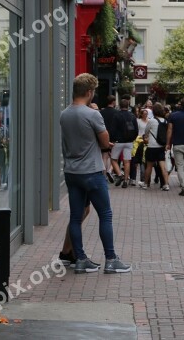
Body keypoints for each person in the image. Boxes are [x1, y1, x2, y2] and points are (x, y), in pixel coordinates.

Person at [60, 73, 131, 274]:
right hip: (91, 171)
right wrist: (105, 141)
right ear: (90, 92)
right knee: (105, 215)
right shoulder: (93, 114)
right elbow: (103, 141)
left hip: (72, 171)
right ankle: (111, 259)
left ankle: (80, 259)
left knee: (75, 217)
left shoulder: (64, 114)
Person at [111, 98, 138, 189]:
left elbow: (113, 129)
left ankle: (119, 174)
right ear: (128, 105)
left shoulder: (116, 115)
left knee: (113, 159)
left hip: (118, 141)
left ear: (120, 105)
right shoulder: (132, 116)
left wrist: (113, 139)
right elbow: (136, 130)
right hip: (129, 141)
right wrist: (133, 138)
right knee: (127, 161)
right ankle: (126, 180)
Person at [142, 103, 170, 191]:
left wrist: (145, 137)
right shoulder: (165, 121)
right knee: (163, 166)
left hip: (152, 146)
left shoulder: (151, 121)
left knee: (149, 166)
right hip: (161, 146)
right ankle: (166, 184)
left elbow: (146, 132)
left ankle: (146, 184)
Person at [99, 95, 119, 182]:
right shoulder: (116, 112)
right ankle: (109, 170)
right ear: (113, 102)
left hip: (103, 135)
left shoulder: (101, 112)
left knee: (104, 155)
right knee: (113, 156)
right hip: (114, 136)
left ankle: (103, 174)